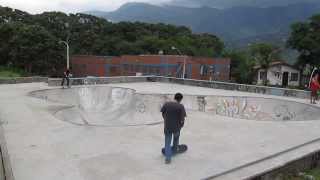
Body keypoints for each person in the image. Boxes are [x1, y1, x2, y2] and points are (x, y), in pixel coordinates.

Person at [160, 93, 187, 164]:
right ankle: (175, 149)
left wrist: (166, 119)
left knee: (167, 142)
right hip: (176, 128)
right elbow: (182, 119)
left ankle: (168, 159)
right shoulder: (181, 106)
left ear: (174, 97)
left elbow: (162, 113)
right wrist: (181, 126)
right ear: (180, 99)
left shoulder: (167, 104)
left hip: (167, 127)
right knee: (176, 139)